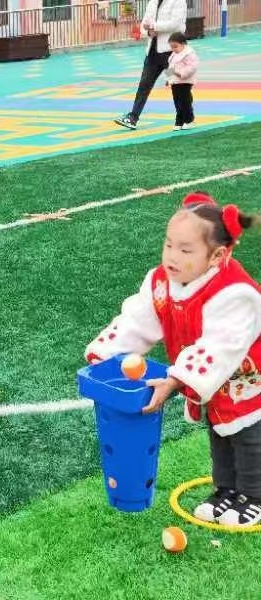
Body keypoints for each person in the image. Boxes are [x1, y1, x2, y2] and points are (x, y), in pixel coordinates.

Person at [85, 192, 261, 527]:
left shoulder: (234, 293)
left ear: (217, 255)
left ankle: (254, 495)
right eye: (168, 245)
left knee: (248, 430)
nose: (172, 256)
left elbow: (220, 345)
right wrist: (105, 356)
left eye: (185, 250)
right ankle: (226, 489)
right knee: (220, 430)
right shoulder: (163, 283)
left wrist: (177, 378)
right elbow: (138, 319)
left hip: (248, 373)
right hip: (214, 374)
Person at [114, 0, 187, 130]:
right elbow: (144, 24)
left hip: (170, 54)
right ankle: (133, 117)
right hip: (152, 54)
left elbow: (176, 23)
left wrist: (154, 26)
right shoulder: (152, 2)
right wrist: (147, 32)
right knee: (144, 85)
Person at [165, 31, 199, 131]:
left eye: (175, 46)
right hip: (175, 82)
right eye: (171, 47)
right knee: (177, 101)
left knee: (185, 101)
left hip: (185, 81)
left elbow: (192, 67)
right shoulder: (174, 55)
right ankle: (179, 120)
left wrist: (182, 73)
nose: (173, 49)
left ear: (183, 44)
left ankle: (189, 120)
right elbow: (170, 67)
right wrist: (168, 78)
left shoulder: (189, 54)